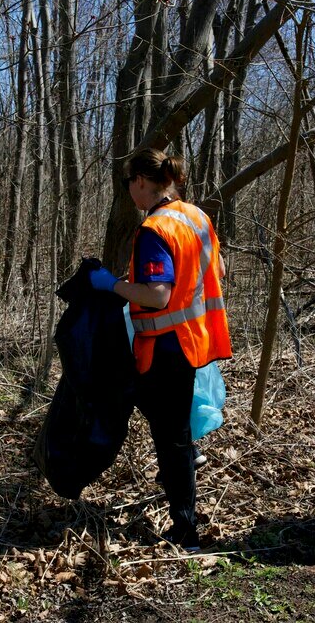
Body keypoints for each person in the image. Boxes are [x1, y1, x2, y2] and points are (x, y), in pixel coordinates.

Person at [90, 148, 232, 552]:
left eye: (128, 184)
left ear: (140, 181)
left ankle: (185, 532)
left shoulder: (154, 228)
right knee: (169, 426)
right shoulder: (196, 216)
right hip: (194, 340)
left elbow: (155, 296)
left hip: (166, 346)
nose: (129, 193)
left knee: (170, 438)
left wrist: (111, 285)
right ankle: (186, 457)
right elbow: (216, 270)